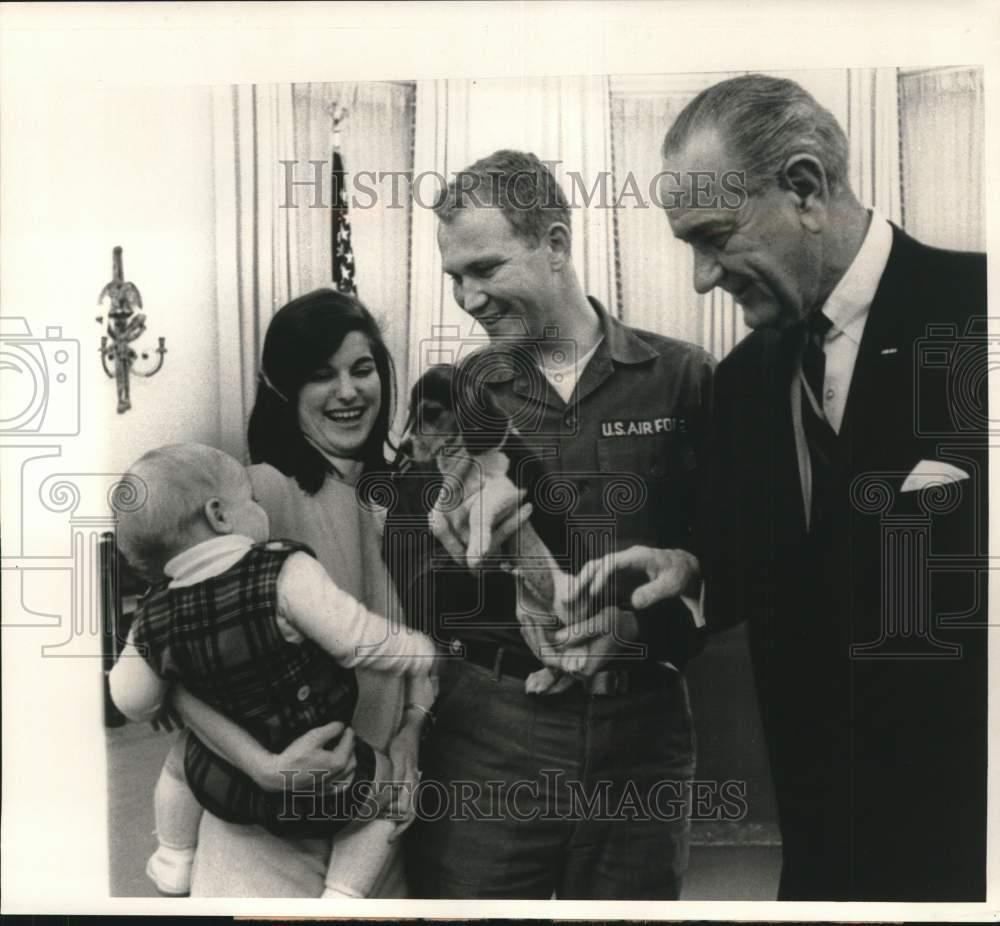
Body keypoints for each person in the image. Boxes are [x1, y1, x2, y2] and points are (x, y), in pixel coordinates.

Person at [580, 75, 987, 901]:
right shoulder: (743, 380)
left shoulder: (982, 312)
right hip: (823, 850)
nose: (699, 279)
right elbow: (749, 563)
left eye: (714, 237)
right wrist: (690, 573)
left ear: (804, 187)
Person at [390, 150, 713, 899]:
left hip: (643, 728)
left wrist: (636, 627)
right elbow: (437, 569)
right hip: (496, 728)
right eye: (454, 279)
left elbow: (726, 560)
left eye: (487, 269)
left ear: (557, 244)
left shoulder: (684, 376)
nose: (467, 298)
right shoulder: (469, 387)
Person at [162, 290, 436, 897]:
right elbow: (170, 669)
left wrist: (412, 733)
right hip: (264, 834)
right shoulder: (259, 495)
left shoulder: (403, 496)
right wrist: (264, 766)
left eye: (361, 370)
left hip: (374, 822)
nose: (347, 392)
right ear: (285, 391)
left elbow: (423, 644)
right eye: (321, 376)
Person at [109, 442, 437, 898]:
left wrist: (161, 687)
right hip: (329, 770)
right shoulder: (282, 566)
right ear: (221, 515)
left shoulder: (153, 614)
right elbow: (352, 636)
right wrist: (415, 650)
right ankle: (344, 896)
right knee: (387, 800)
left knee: (178, 768)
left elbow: (131, 699)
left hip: (223, 781)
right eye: (253, 503)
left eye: (361, 367)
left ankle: (172, 854)